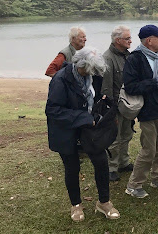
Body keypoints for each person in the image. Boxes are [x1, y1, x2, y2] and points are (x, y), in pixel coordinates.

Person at [45, 47, 120, 221]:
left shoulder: (92, 76)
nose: (94, 74)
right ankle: (76, 205)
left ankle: (104, 202)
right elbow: (52, 110)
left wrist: (103, 107)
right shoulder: (60, 79)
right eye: (91, 70)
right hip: (65, 130)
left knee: (101, 162)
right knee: (72, 168)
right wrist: (83, 117)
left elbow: (96, 96)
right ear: (81, 65)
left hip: (89, 130)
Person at [123, 25, 158, 198]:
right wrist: (155, 82)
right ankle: (134, 185)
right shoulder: (135, 59)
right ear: (149, 40)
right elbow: (130, 86)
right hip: (148, 111)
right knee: (148, 150)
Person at [101, 25, 133, 182]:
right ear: (117, 40)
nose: (130, 41)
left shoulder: (127, 55)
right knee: (114, 137)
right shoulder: (108, 58)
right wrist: (111, 110)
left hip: (127, 104)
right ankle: (111, 168)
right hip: (115, 106)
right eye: (127, 38)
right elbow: (106, 88)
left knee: (127, 134)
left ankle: (123, 162)